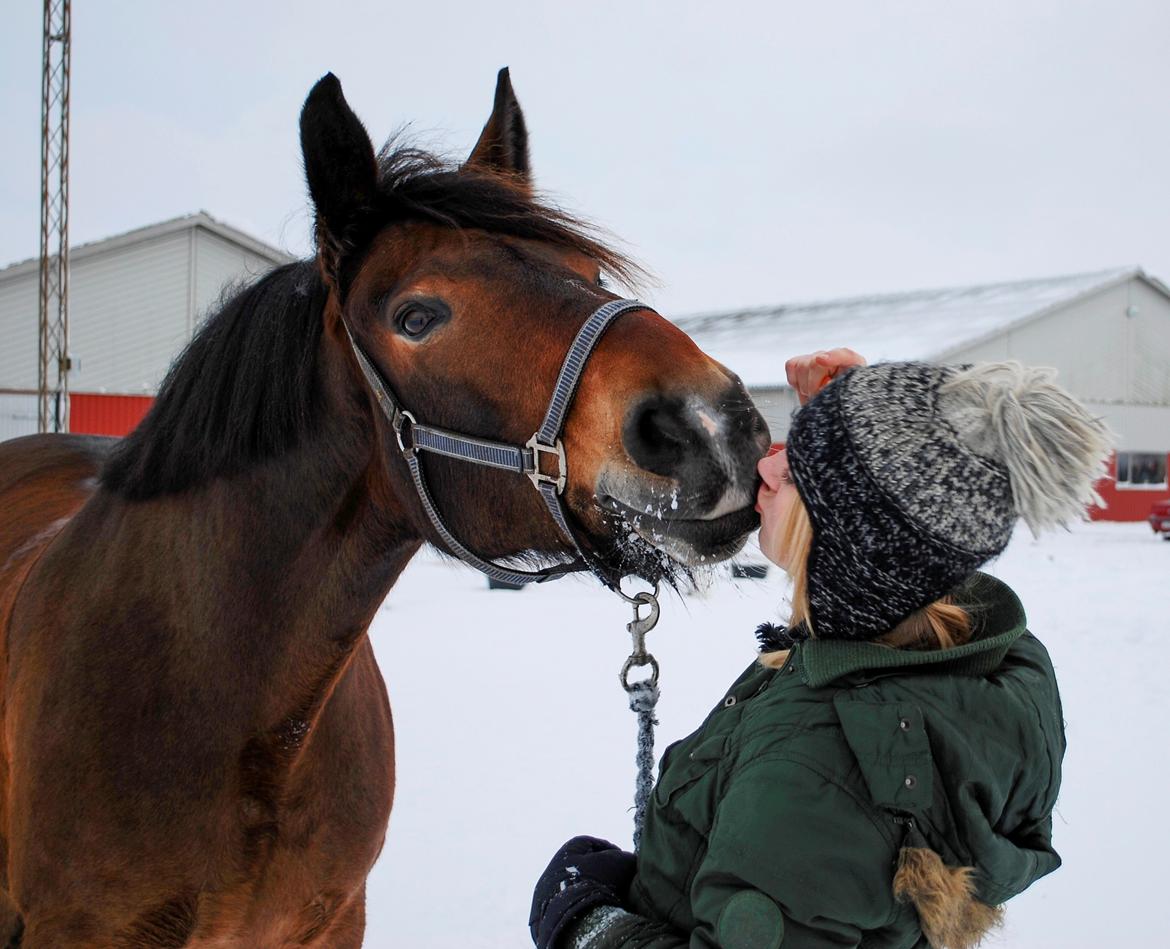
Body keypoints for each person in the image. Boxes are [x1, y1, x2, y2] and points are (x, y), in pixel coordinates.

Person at [529, 349, 1112, 949]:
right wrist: (853, 409)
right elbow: (911, 520)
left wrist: (592, 931)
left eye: (799, 475)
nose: (769, 466)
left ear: (846, 546)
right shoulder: (983, 653)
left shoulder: (813, 782)